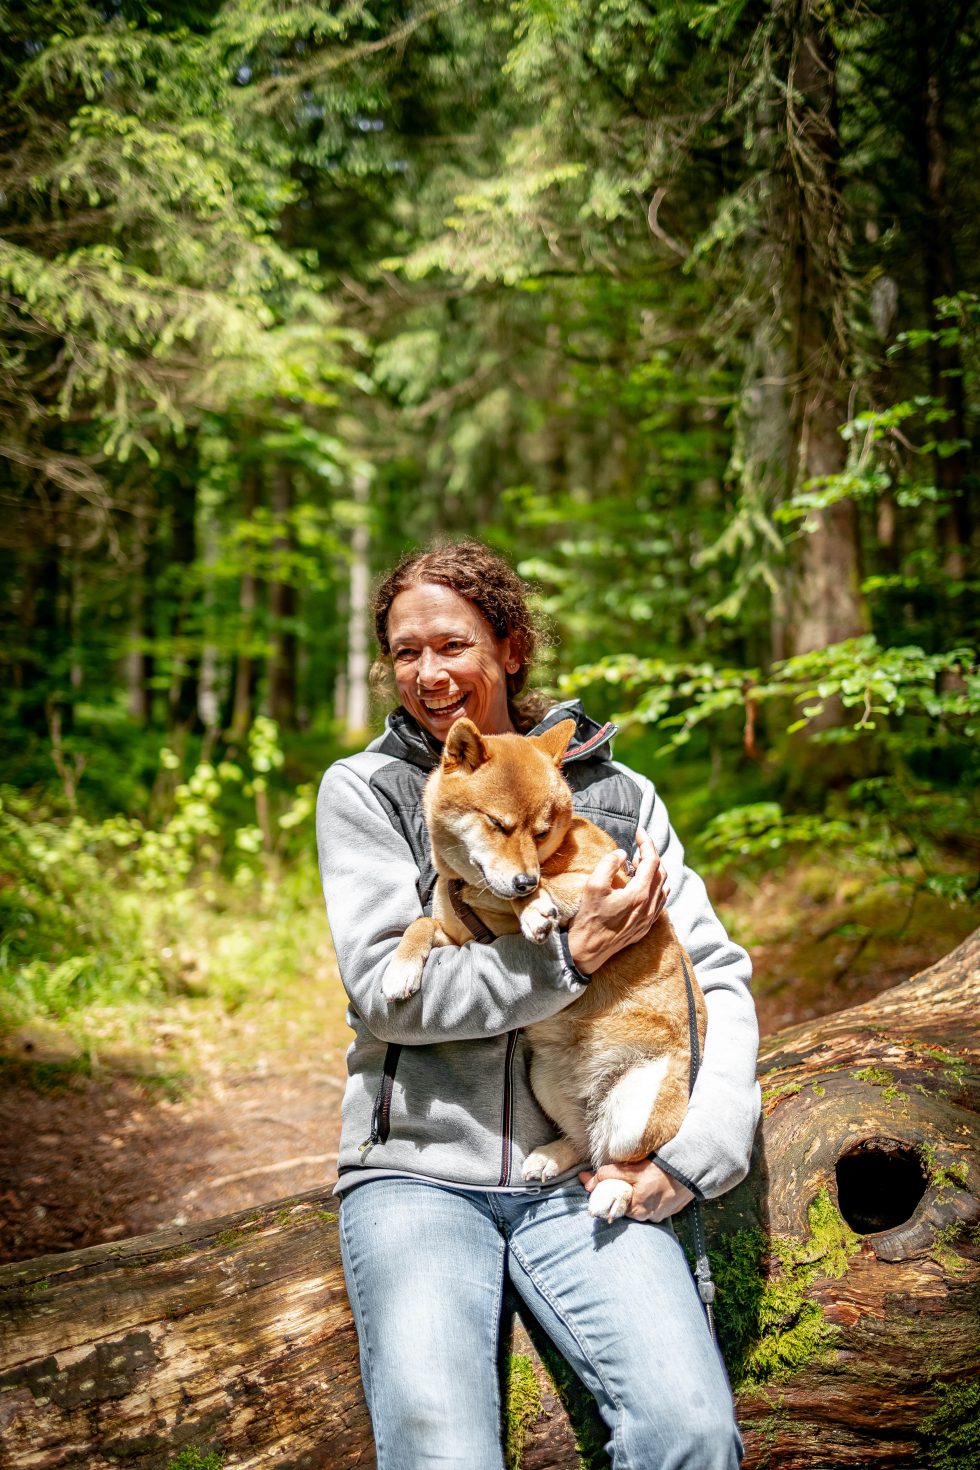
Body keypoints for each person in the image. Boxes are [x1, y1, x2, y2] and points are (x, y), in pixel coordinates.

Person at [316, 540, 759, 1470]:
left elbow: (713, 973)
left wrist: (697, 1151)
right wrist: (564, 959)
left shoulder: (620, 796)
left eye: (452, 645)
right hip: (418, 1174)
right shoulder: (368, 792)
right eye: (405, 652)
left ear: (511, 648)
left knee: (693, 1433)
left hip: (582, 1171)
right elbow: (387, 999)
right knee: (444, 1456)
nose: (429, 674)